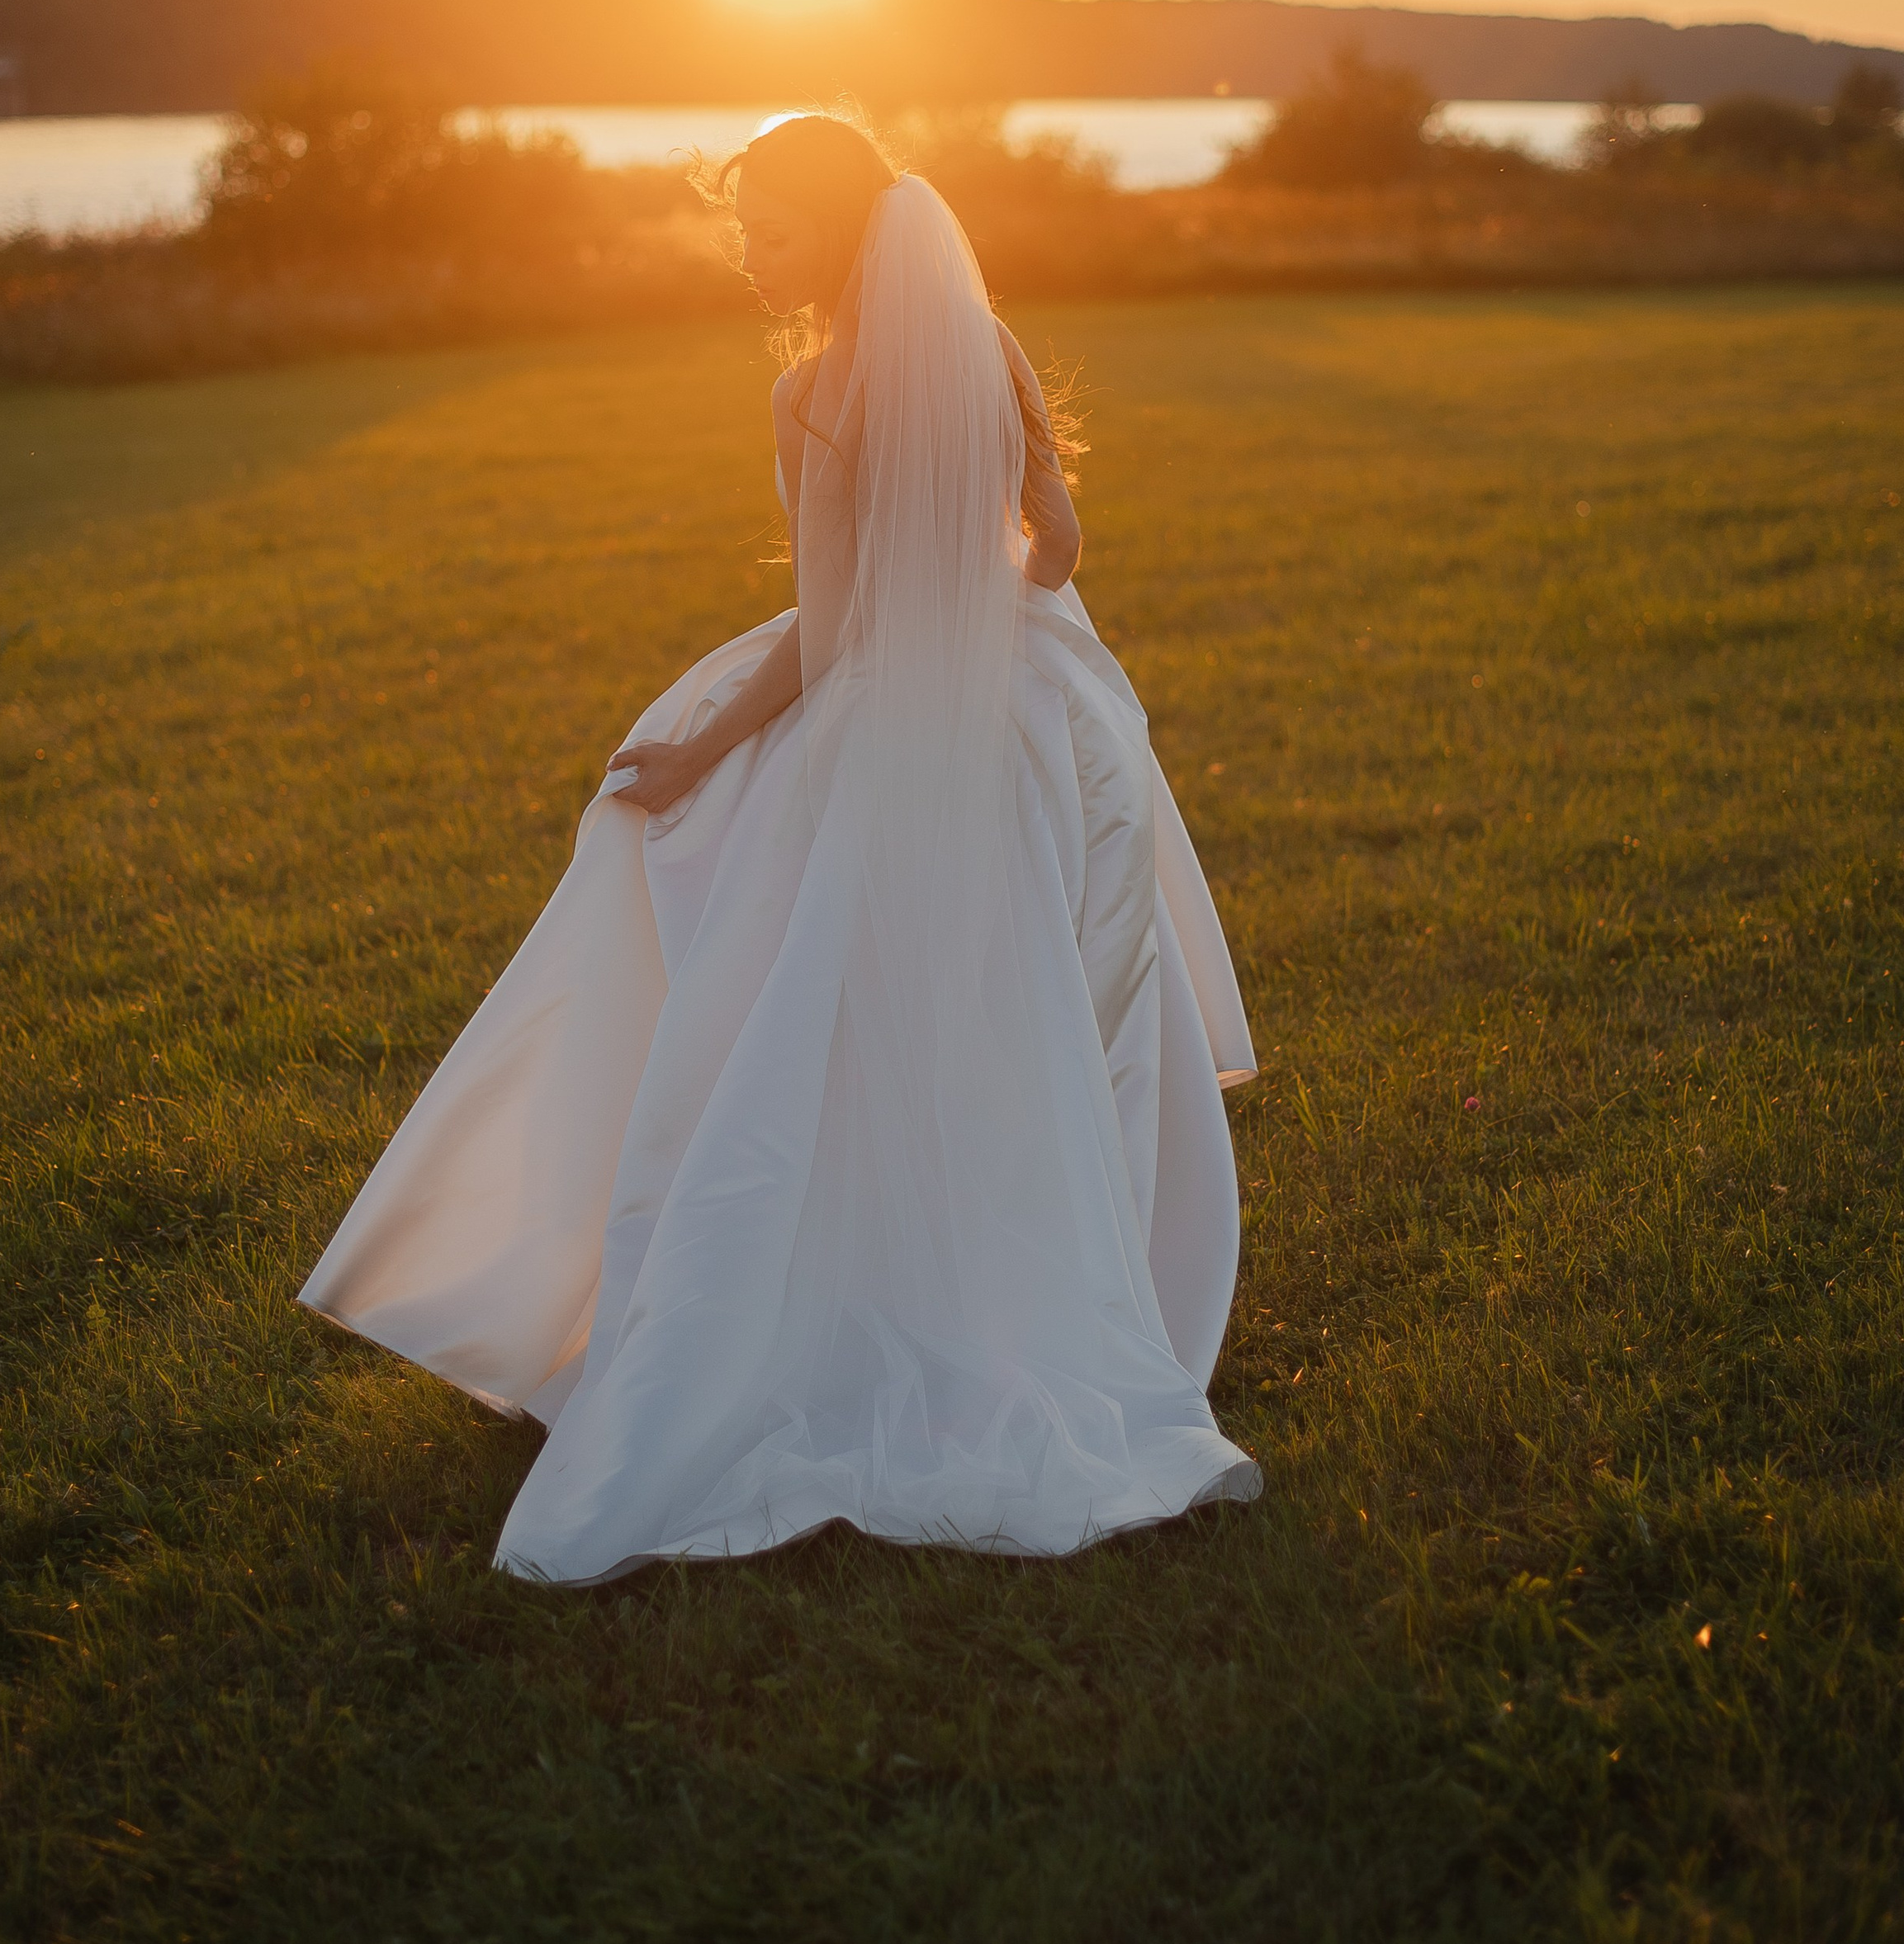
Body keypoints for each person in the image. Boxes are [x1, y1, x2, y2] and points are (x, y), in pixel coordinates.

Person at [300, 114, 1261, 1583]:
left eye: (777, 233)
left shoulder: (813, 394)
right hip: (1040, 737)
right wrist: (1011, 494)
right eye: (741, 234)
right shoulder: (986, 358)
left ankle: (805, 1297)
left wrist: (698, 745)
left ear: (847, 231)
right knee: (1041, 1013)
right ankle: (1058, 1289)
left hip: (888, 730)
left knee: (783, 977)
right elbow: (1056, 558)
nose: (754, 259)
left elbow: (830, 631)